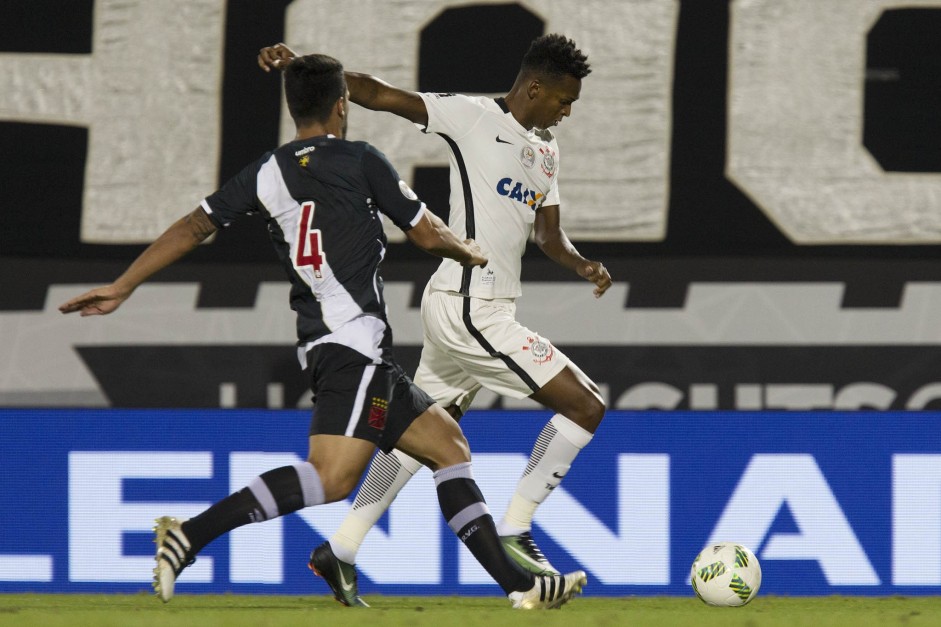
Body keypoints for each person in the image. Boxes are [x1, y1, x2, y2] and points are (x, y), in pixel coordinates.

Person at [59, 53, 587, 610]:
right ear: (341, 106)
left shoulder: (267, 171)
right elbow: (427, 233)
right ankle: (189, 536)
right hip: (352, 342)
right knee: (332, 479)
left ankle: (523, 588)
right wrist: (468, 249)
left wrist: (123, 285)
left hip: (339, 345)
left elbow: (195, 226)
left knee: (448, 447)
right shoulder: (361, 160)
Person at [257, 34, 612, 606]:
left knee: (417, 436)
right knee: (586, 404)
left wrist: (582, 263)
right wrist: (303, 67)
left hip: (476, 305)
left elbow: (547, 233)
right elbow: (377, 94)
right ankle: (516, 530)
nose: (566, 112)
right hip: (470, 307)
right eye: (563, 99)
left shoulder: (544, 150)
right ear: (535, 86)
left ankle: (341, 548)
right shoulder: (471, 116)